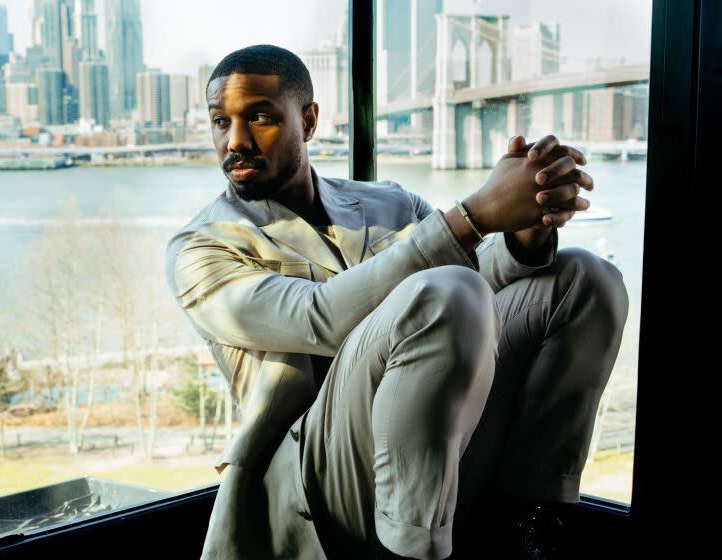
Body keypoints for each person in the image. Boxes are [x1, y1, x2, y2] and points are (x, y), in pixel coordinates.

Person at [165, 44, 629, 560]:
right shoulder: (200, 247)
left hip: (436, 444)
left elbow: (476, 275)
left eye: (259, 117)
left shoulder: (390, 203)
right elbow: (320, 318)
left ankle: (528, 525)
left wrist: (523, 227)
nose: (236, 140)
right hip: (317, 478)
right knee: (447, 291)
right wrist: (472, 214)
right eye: (218, 121)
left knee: (589, 279)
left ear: (310, 120)